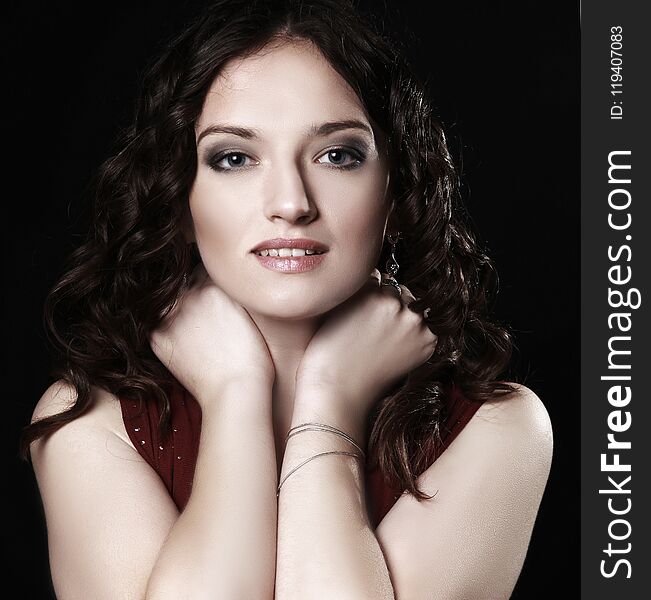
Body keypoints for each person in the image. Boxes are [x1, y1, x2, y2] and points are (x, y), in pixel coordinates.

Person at [20, 0, 553, 598]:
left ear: (397, 191)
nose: (291, 202)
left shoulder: (496, 426)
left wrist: (331, 401)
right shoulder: (92, 419)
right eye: (234, 158)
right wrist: (234, 394)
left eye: (337, 155)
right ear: (179, 197)